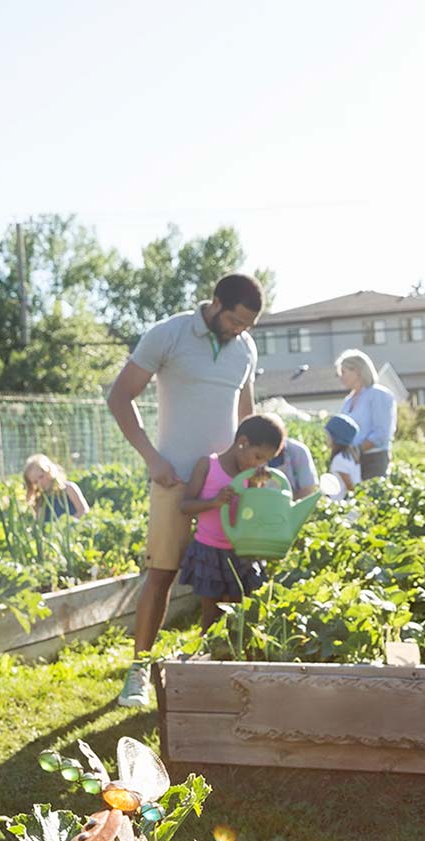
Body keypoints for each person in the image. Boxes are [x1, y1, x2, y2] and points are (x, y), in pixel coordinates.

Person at [107, 273, 263, 708]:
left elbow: (247, 415)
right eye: (234, 320)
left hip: (227, 486)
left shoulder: (245, 349)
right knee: (161, 573)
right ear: (215, 304)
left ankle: (213, 668)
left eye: (247, 325)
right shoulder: (169, 334)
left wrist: (251, 469)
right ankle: (139, 672)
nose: (239, 331)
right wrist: (152, 459)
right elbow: (120, 396)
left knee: (229, 577)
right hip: (173, 478)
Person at [177, 414, 286, 632]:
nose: (259, 464)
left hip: (240, 551)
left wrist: (255, 486)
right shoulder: (208, 465)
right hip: (209, 550)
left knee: (239, 611)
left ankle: (233, 658)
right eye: (257, 456)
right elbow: (185, 506)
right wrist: (213, 502)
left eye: (265, 461)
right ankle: (206, 658)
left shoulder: (251, 475)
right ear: (242, 442)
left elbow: (253, 514)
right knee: (211, 612)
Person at [336, 349, 397, 481]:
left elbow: (382, 433)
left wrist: (357, 450)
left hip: (373, 460)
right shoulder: (348, 401)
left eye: (344, 372)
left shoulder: (378, 395)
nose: (341, 377)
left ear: (357, 371)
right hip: (352, 461)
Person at [23, 453, 90, 520]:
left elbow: (84, 511)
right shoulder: (40, 499)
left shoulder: (68, 489)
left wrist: (68, 523)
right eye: (35, 482)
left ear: (49, 471)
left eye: (41, 477)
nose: (40, 483)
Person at [323, 413, 363, 500]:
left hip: (342, 507)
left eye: (328, 435)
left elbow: (350, 486)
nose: (326, 438)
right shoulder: (351, 456)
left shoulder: (339, 460)